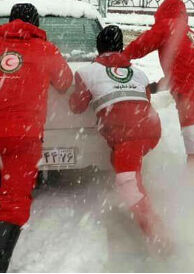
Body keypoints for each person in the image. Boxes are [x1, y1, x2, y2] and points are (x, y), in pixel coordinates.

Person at [0, 3, 73, 273]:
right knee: (15, 200)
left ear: (10, 20)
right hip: (24, 134)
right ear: (35, 25)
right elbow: (65, 81)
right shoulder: (46, 50)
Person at [123, 0, 194, 210]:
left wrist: (122, 57)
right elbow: (183, 70)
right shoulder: (187, 33)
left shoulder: (168, 25)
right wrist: (155, 87)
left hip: (193, 97)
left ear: (162, 13)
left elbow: (143, 43)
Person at [68, 25, 171, 252]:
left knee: (128, 185)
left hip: (126, 134)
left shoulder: (86, 72)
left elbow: (77, 106)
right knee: (126, 168)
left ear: (98, 48)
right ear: (120, 48)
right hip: (150, 130)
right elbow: (143, 101)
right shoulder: (140, 73)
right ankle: (141, 204)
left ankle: (162, 241)